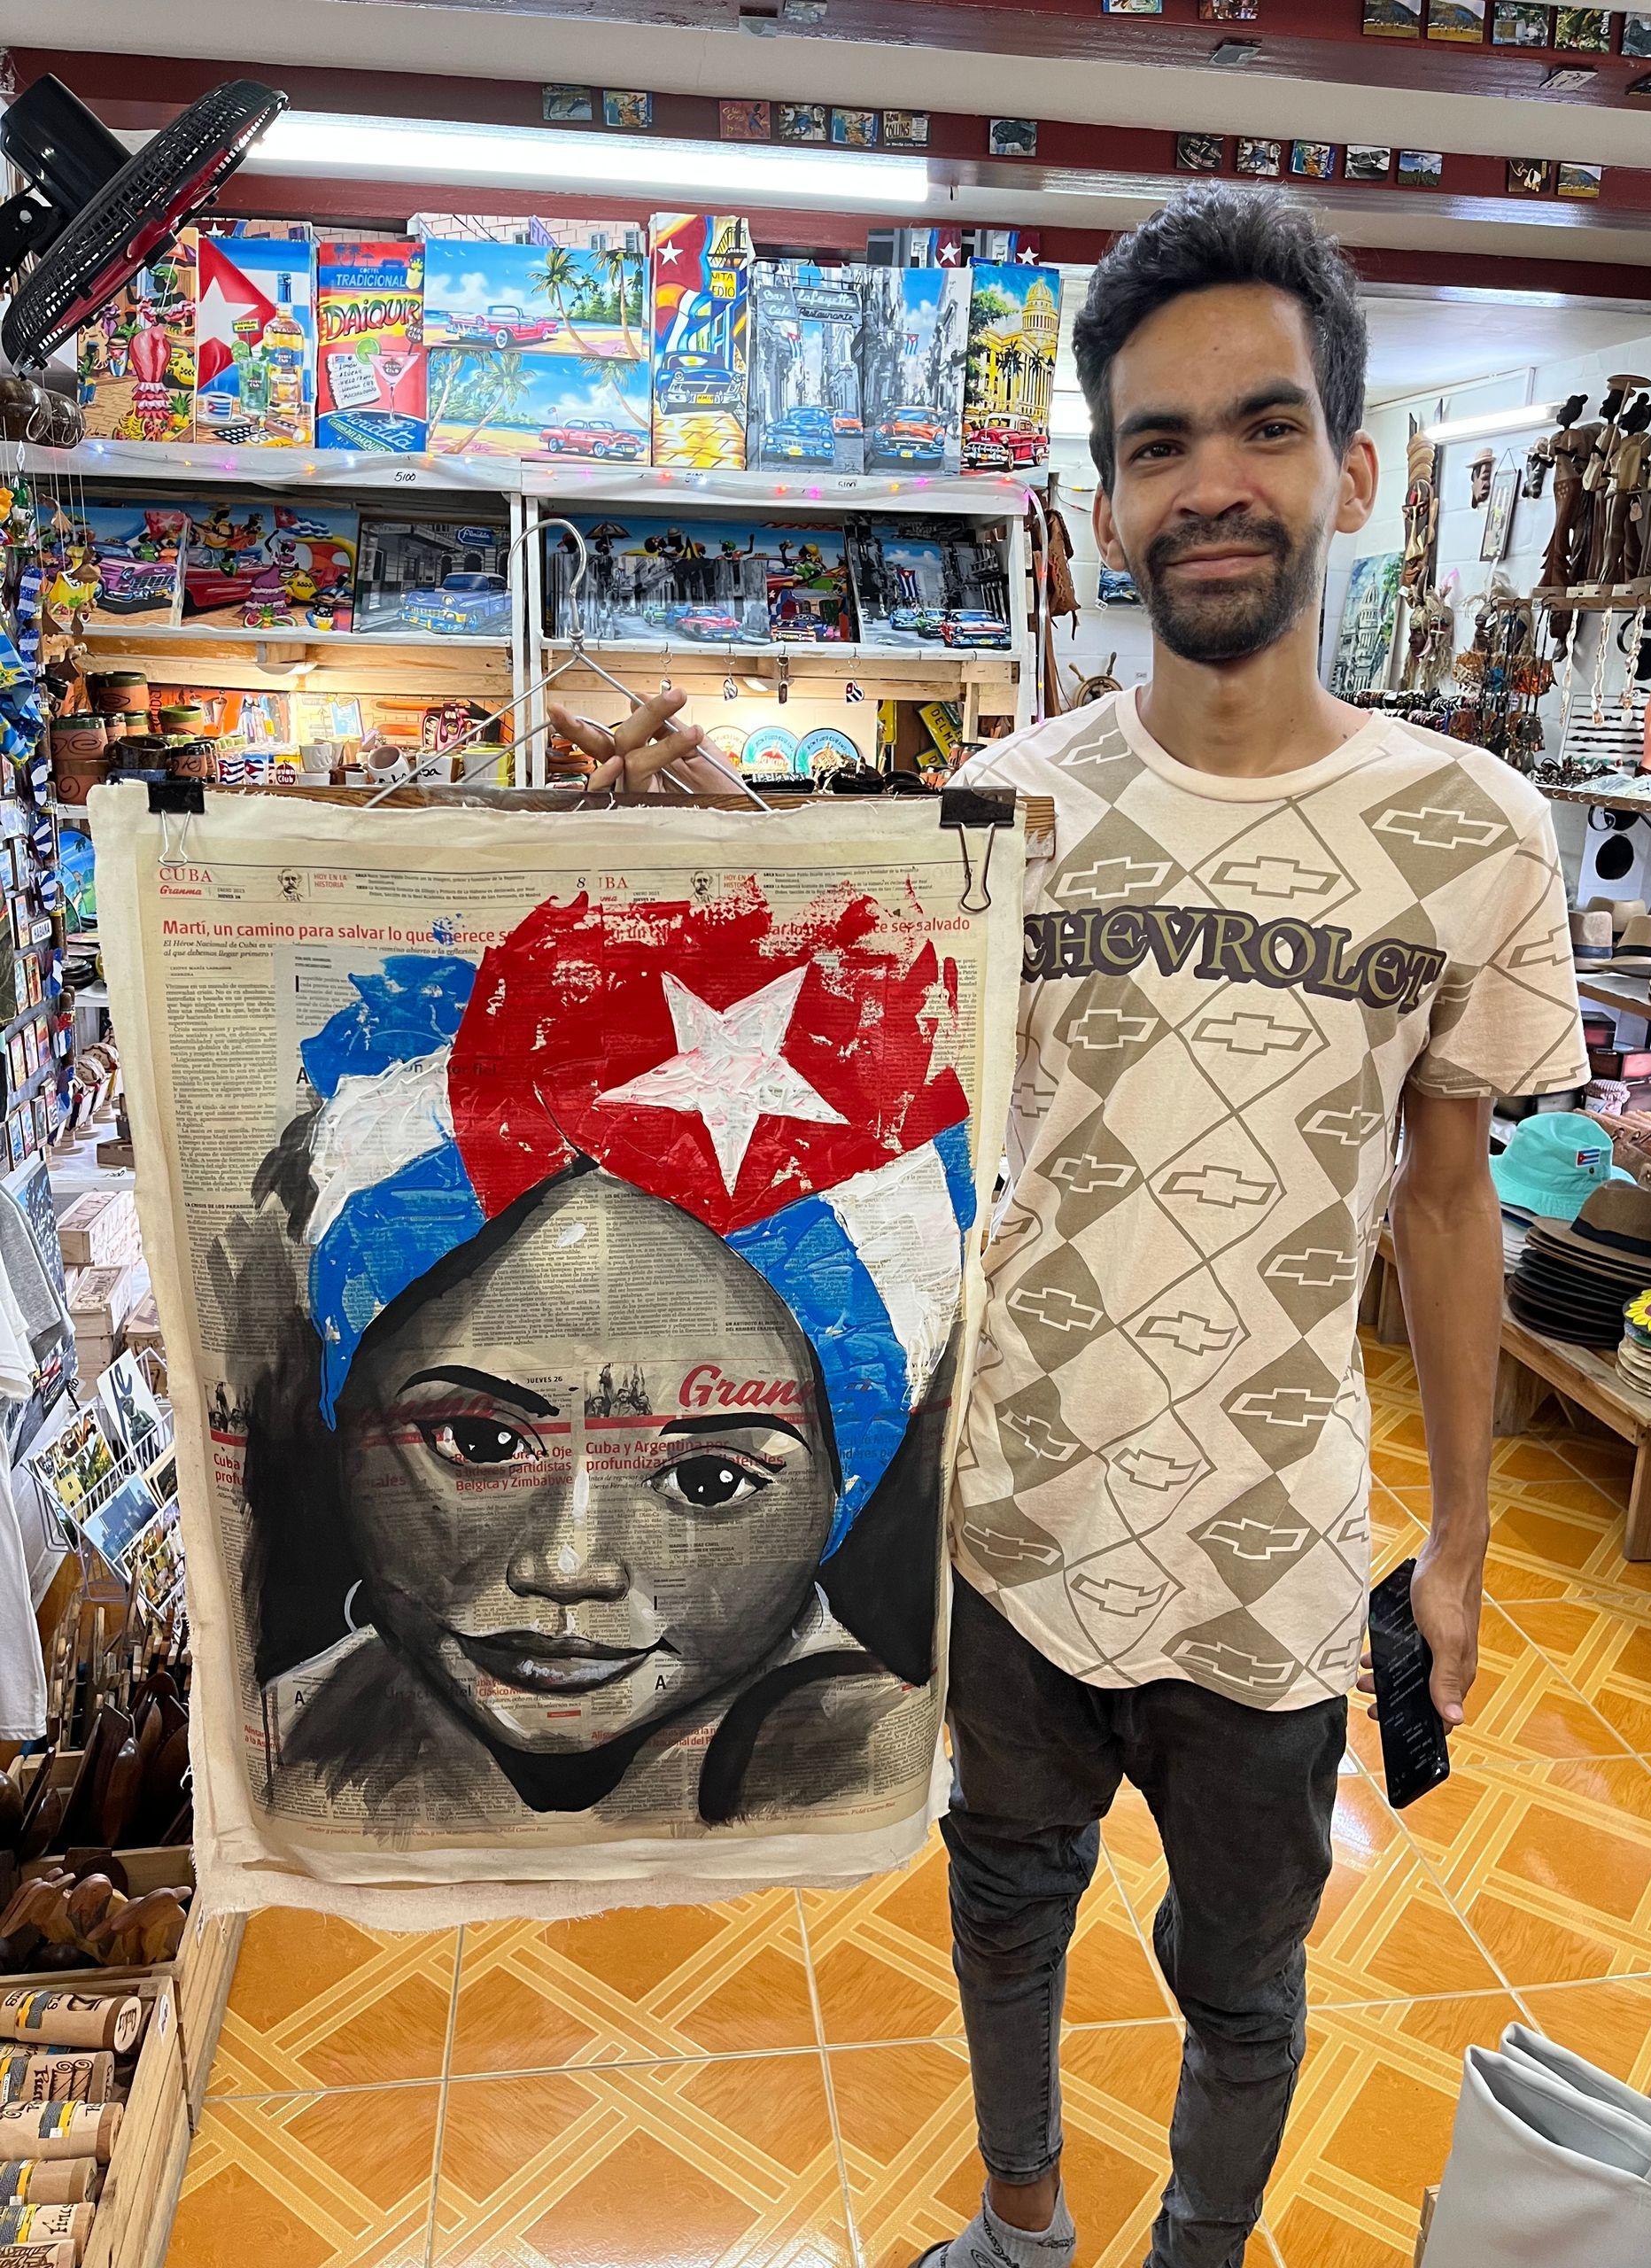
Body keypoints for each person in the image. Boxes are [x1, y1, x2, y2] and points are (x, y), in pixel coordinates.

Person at [546, 187, 1587, 2268]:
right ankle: (1019, 2225)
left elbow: (1453, 1201)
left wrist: (1457, 1547)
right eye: (1156, 444)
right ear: (1102, 505)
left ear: (1353, 470)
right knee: (1004, 1899)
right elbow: (852, 1093)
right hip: (1013, 1515)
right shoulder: (1000, 808)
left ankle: (1196, 2243)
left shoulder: (1469, 830)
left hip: (1273, 1555)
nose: (1211, 484)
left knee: (1250, 1970)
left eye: (1264, 428)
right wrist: (698, 868)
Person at [218, 890, 972, 1835]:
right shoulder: (293, 1746)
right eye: (480, 1443)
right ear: (349, 1413)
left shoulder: (863, 1770)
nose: (568, 1565)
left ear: (839, 1490)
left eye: (706, 1477)